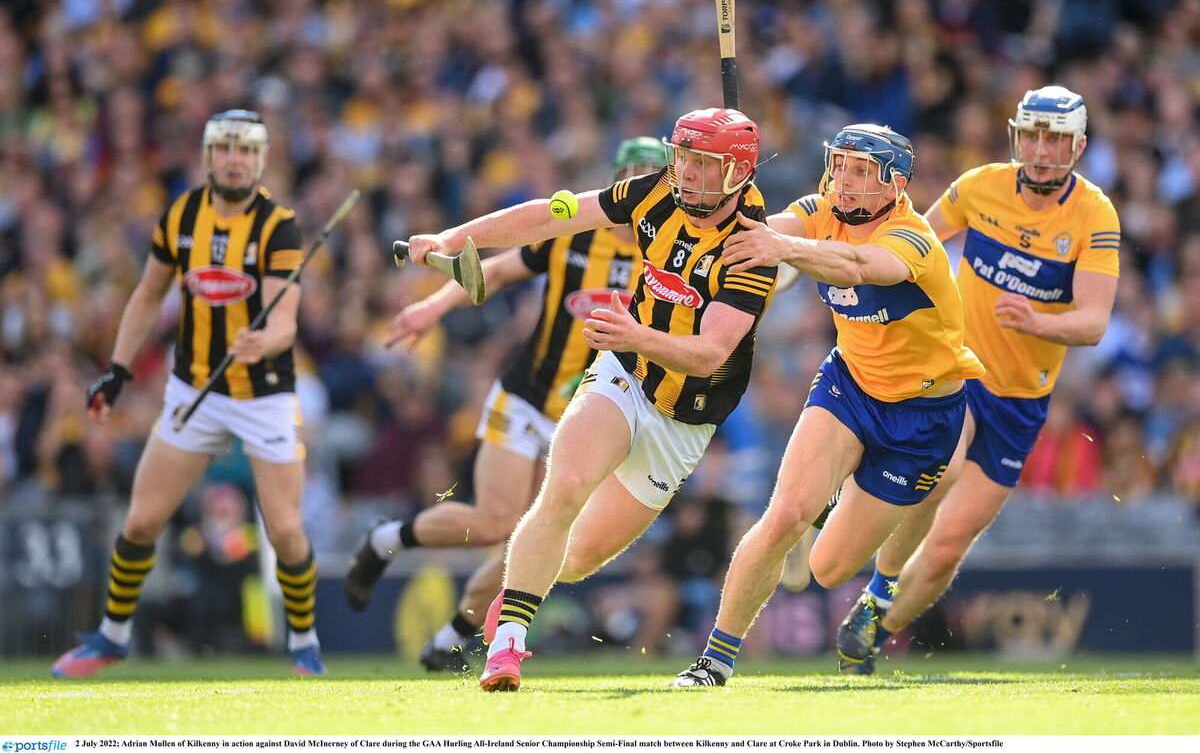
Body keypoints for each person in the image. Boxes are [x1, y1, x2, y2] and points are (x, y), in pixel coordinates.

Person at [405, 107, 778, 691]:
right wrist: (455, 237)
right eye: (680, 156)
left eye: (701, 162)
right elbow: (550, 215)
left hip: (686, 417)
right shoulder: (653, 191)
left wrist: (637, 335)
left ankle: (515, 593)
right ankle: (506, 649)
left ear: (735, 173)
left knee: (576, 559)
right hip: (624, 375)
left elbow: (711, 354)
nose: (683, 171)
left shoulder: (752, 250)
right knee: (564, 488)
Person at [669, 123, 984, 688]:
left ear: (896, 184)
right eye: (841, 164)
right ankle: (714, 662)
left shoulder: (913, 239)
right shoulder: (819, 210)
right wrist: (724, 198)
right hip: (850, 386)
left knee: (826, 567)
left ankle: (837, 522)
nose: (846, 179)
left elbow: (859, 267)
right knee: (781, 517)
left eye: (863, 170)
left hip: (922, 420)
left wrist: (782, 247)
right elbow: (761, 230)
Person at [342, 137, 667, 672]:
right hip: (527, 395)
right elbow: (492, 273)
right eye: (630, 174)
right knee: (495, 520)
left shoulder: (668, 257)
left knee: (538, 530)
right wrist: (432, 306)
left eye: (649, 176)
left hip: (595, 412)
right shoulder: (573, 235)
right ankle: (383, 540)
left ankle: (452, 634)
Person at [834, 86, 1120, 674]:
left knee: (944, 551)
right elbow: (914, 241)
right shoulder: (979, 185)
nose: (1041, 151)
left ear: (1079, 146)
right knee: (946, 467)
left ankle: (873, 623)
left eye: (1056, 140)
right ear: (1017, 136)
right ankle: (876, 562)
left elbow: (1093, 322)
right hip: (960, 370)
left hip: (1023, 403)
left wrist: (1036, 319)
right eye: (1033, 136)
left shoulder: (1094, 214)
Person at [52, 110, 327, 677]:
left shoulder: (279, 224)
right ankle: (111, 636)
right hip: (194, 387)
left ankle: (304, 641)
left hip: (265, 393)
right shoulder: (179, 216)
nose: (235, 159)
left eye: (247, 150)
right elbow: (149, 294)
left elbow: (287, 321)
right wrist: (118, 370)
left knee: (286, 529)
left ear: (262, 159)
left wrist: (262, 340)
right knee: (141, 521)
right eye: (225, 148)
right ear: (207, 156)